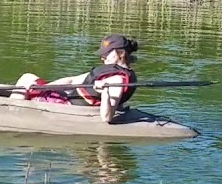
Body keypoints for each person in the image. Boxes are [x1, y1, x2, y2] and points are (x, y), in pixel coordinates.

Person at [11, 34, 139, 124]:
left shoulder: (118, 80)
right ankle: (15, 106)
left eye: (106, 53)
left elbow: (106, 118)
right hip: (68, 98)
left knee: (26, 78)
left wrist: (105, 91)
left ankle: (11, 115)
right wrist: (44, 88)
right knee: (29, 79)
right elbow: (72, 81)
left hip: (68, 107)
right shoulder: (112, 71)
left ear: (121, 53)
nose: (102, 57)